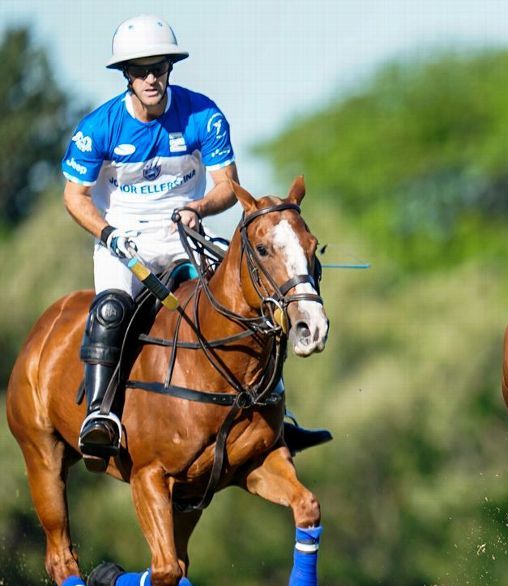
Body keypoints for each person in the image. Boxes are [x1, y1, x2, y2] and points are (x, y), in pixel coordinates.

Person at [61, 15, 330, 459]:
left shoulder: (202, 114)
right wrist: (108, 234)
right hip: (124, 244)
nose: (150, 78)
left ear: (169, 68)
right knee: (110, 311)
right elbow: (75, 196)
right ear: (126, 75)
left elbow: (228, 185)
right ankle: (99, 414)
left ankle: (275, 410)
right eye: (140, 70)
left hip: (183, 236)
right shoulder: (98, 128)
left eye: (158, 68)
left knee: (249, 302)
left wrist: (197, 208)